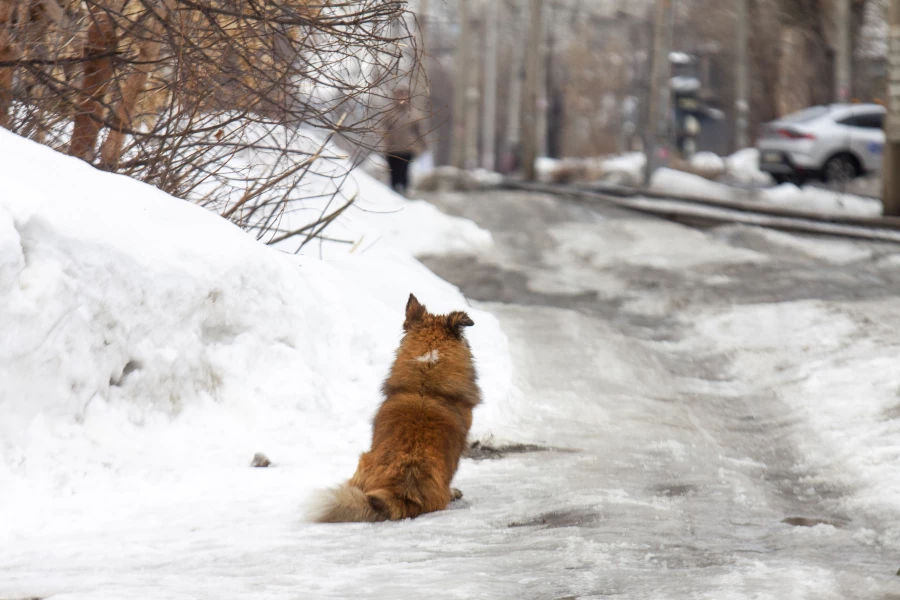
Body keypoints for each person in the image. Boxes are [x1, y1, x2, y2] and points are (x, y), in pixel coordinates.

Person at [382, 87, 425, 195]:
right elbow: (383, 130)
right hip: (392, 149)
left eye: (405, 95)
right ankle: (394, 194)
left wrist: (423, 145)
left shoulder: (414, 114)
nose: (402, 98)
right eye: (400, 95)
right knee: (394, 174)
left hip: (408, 149)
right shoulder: (389, 113)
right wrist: (385, 143)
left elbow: (420, 132)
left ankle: (404, 193)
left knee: (404, 173)